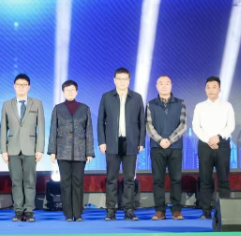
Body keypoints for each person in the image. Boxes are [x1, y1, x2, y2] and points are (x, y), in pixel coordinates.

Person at [97, 67, 145, 221]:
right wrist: (102, 141)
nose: (122, 82)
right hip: (112, 142)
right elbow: (100, 121)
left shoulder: (137, 97)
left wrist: (141, 141)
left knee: (129, 179)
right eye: (119, 79)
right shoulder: (106, 97)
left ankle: (128, 209)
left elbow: (142, 122)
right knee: (111, 178)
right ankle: (110, 210)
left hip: (131, 142)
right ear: (114, 80)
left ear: (129, 81)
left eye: (125, 79)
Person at [0, 74, 45, 222]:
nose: (21, 87)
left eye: (24, 85)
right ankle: (18, 211)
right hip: (12, 149)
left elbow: (41, 128)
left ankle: (29, 211)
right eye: (18, 85)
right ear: (14, 86)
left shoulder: (37, 103)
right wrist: (3, 150)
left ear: (28, 87)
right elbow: (3, 128)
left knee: (30, 181)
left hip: (31, 148)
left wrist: (40, 149)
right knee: (16, 181)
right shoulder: (7, 105)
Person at [48, 80, 94, 221]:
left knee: (78, 183)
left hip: (80, 152)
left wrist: (89, 152)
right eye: (67, 90)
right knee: (65, 183)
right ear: (63, 92)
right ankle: (68, 214)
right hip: (63, 151)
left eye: (72, 90)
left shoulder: (84, 108)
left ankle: (78, 214)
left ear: (77, 92)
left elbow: (89, 131)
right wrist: (52, 151)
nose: (70, 92)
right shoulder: (58, 109)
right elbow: (53, 130)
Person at [192, 76, 236, 219]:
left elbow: (230, 125)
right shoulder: (199, 106)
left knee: (223, 179)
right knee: (205, 179)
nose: (211, 90)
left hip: (222, 145)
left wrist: (219, 137)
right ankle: (206, 210)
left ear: (219, 90)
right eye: (208, 87)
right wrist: (208, 140)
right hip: (205, 145)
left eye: (214, 87)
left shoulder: (227, 106)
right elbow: (196, 126)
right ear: (205, 89)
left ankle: (225, 211)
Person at [146, 75, 187, 220]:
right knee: (158, 180)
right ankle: (160, 211)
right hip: (157, 147)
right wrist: (160, 140)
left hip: (175, 147)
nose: (164, 86)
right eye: (161, 83)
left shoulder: (180, 103)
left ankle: (176, 210)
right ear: (157, 86)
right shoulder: (151, 104)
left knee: (176, 179)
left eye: (167, 83)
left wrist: (169, 140)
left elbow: (183, 125)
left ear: (171, 85)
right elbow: (148, 125)